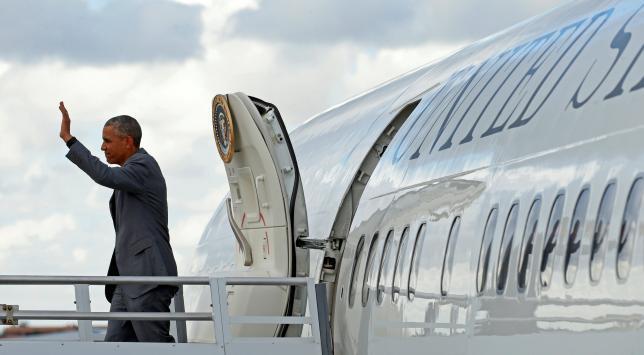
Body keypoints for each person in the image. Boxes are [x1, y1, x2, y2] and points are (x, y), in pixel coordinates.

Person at [58, 101, 178, 342]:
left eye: (107, 141)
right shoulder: (130, 173)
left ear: (128, 141)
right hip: (127, 280)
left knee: (155, 346)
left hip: (146, 278)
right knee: (114, 346)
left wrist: (69, 139)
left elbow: (103, 175)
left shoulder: (143, 166)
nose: (102, 147)